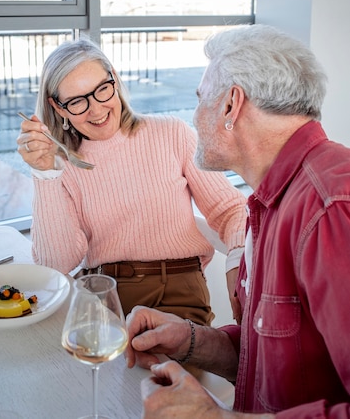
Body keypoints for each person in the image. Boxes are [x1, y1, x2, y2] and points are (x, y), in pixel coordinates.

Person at [125, 24, 350, 418]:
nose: (194, 117)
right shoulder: (267, 202)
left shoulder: (331, 210)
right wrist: (188, 339)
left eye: (199, 100)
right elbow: (265, 361)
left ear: (231, 105)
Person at [17, 37, 247, 325]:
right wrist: (45, 173)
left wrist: (239, 261)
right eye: (77, 101)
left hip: (175, 292)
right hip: (96, 294)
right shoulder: (61, 165)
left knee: (160, 370)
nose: (96, 110)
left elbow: (230, 210)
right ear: (59, 108)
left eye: (102, 89)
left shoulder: (172, 134)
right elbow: (55, 264)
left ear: (114, 78)